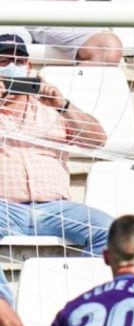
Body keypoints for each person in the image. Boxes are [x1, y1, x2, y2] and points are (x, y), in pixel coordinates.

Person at [0, 32, 111, 255]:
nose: (13, 66)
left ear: (29, 67)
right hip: (4, 208)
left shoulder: (50, 108)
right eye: (4, 61)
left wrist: (63, 106)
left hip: (57, 209)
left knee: (113, 231)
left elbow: (97, 140)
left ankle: (82, 289)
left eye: (19, 61)